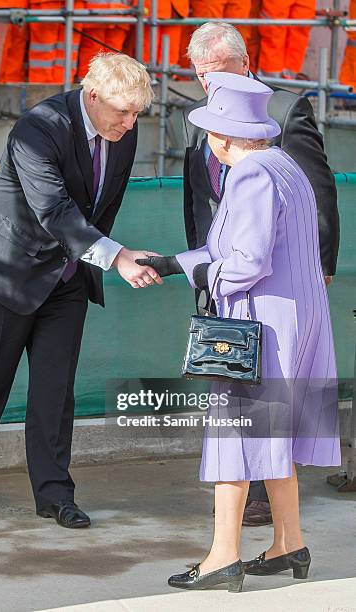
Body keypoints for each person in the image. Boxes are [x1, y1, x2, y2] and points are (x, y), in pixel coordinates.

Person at [0, 53, 161, 528]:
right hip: (7, 270)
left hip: (68, 277)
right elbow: (53, 209)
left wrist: (93, 255)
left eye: (137, 112)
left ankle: (55, 494)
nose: (130, 122)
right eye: (122, 111)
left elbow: (105, 203)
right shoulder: (37, 127)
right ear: (92, 96)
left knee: (55, 390)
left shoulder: (123, 128)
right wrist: (115, 256)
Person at [137, 71, 341, 591]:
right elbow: (238, 249)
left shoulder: (248, 175)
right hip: (298, 319)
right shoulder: (285, 166)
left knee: (235, 434)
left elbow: (243, 262)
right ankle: (289, 544)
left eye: (210, 131)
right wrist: (174, 263)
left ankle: (222, 557)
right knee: (277, 434)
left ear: (226, 136)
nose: (208, 141)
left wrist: (203, 273)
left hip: (259, 323)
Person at [181, 21, 339, 527]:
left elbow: (317, 192)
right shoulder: (201, 117)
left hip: (271, 282)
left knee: (262, 396)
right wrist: (197, 265)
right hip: (224, 274)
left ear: (245, 65)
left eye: (220, 72)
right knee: (242, 387)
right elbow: (198, 199)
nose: (211, 84)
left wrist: (319, 268)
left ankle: (246, 514)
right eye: (202, 75)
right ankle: (278, 529)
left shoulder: (284, 110)